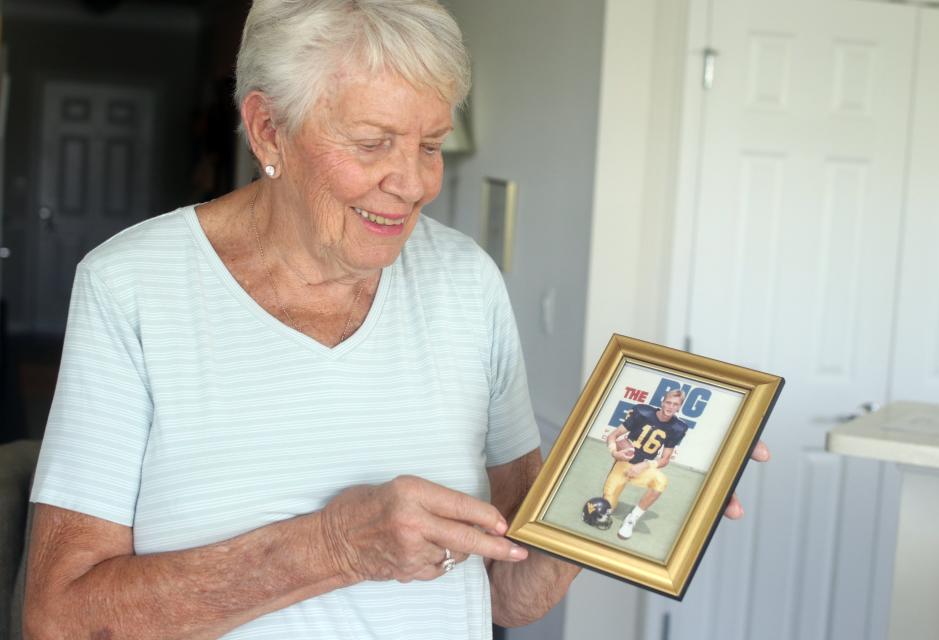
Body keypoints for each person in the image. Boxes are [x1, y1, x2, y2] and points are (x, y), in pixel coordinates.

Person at [22, 1, 766, 638]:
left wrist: (593, 503)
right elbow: (61, 620)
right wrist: (336, 547)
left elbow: (510, 591)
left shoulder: (465, 280)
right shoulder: (132, 286)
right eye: (374, 143)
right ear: (268, 130)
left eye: (431, 144)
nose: (413, 183)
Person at [602, 389, 688, 540]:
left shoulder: (677, 428)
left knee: (661, 481)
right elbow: (613, 436)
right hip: (624, 464)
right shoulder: (643, 413)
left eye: (675, 404)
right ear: (662, 401)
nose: (670, 407)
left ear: (679, 407)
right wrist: (615, 453)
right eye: (668, 402)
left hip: (643, 468)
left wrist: (645, 465)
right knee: (607, 507)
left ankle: (632, 518)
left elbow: (665, 459)